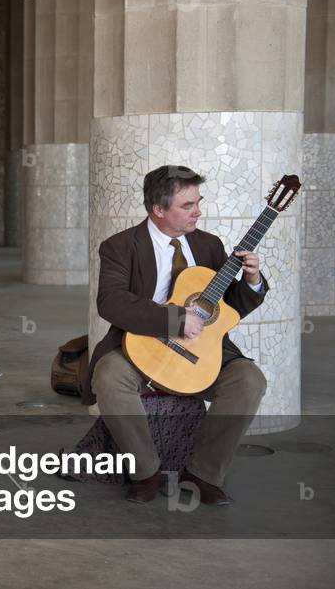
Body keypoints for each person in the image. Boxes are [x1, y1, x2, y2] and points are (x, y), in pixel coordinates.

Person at [85, 165, 268, 505]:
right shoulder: (120, 246)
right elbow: (110, 302)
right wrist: (175, 319)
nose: (197, 210)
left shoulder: (210, 245)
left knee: (249, 380)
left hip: (201, 351)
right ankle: (146, 473)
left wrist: (252, 281)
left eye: (198, 202)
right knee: (109, 376)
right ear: (158, 209)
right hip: (141, 344)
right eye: (187, 205)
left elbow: (228, 308)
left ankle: (203, 474)